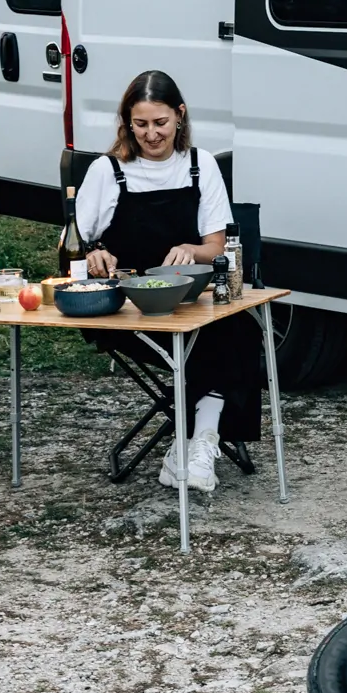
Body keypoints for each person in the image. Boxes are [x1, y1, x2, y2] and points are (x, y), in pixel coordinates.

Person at [75, 69, 261, 493]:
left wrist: (193, 251)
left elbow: (217, 247)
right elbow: (72, 250)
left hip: (189, 303)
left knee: (239, 327)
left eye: (160, 123)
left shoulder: (200, 165)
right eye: (140, 124)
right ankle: (196, 443)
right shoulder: (108, 171)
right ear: (127, 122)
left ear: (180, 115)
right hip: (126, 311)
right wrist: (94, 254)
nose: (151, 134)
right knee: (225, 341)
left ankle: (195, 443)